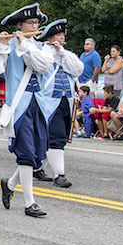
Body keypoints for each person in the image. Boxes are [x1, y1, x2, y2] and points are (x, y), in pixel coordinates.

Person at [0, 3, 54, 217]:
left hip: (39, 105)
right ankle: (29, 203)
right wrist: (1, 48)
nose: (34, 26)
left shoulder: (43, 47)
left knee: (38, 155)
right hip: (19, 106)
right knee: (25, 154)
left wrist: (26, 44)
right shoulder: (10, 46)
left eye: (36, 23)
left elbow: (43, 66)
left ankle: (10, 184)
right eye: (30, 23)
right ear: (20, 25)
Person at [35, 19, 83, 188]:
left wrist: (61, 52)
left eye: (62, 35)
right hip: (48, 101)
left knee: (57, 136)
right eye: (58, 34)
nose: (61, 37)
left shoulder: (66, 54)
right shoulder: (42, 52)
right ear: (49, 37)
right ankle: (59, 175)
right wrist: (51, 50)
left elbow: (78, 70)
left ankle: (38, 167)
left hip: (65, 101)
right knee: (55, 136)